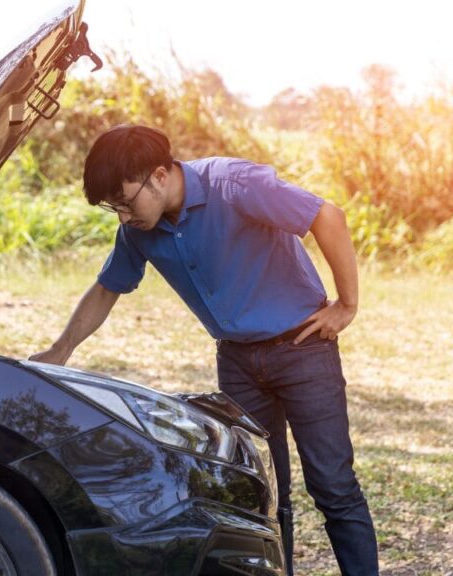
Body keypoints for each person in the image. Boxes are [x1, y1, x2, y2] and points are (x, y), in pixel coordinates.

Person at [29, 124, 378, 575]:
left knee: (333, 484)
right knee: (263, 495)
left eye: (126, 202)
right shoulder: (140, 230)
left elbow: (326, 215)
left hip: (303, 350)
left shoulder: (235, 184)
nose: (123, 217)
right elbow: (106, 288)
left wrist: (346, 304)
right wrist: (60, 351)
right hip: (237, 362)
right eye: (113, 208)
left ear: (158, 175)